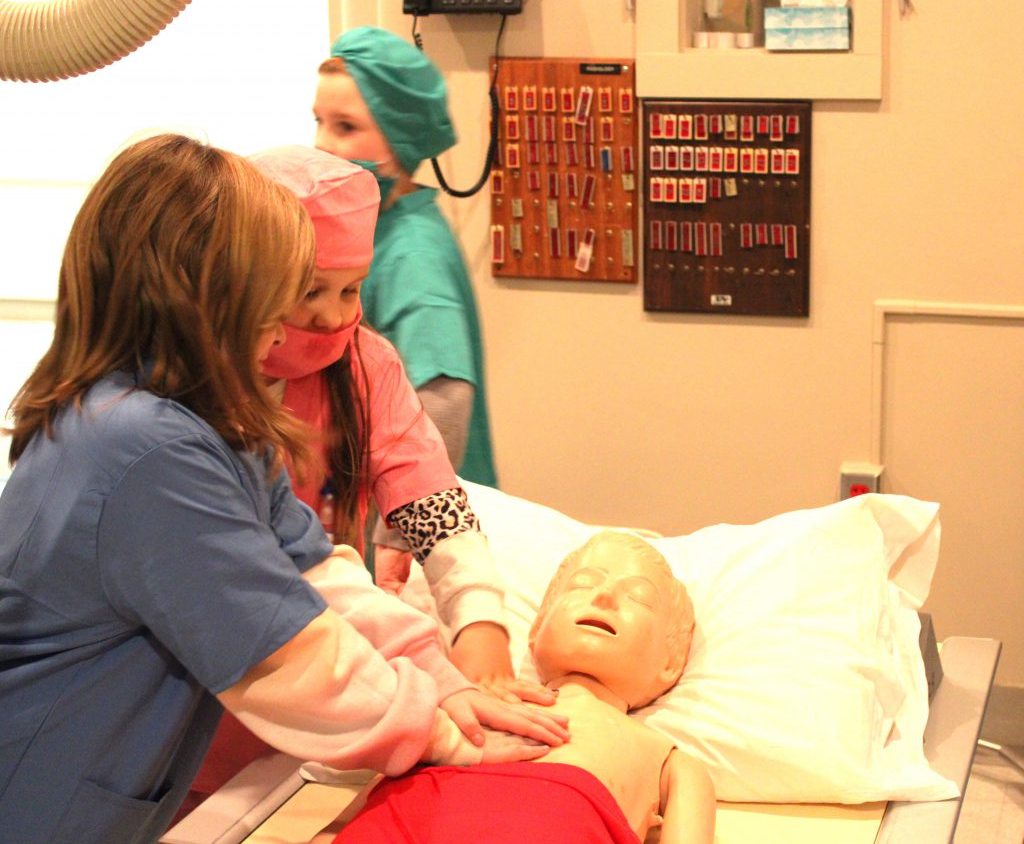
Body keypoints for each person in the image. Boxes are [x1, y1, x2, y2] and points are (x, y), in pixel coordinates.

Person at [0, 134, 567, 844]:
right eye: (288, 292)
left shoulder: (215, 420)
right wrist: (443, 733)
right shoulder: (146, 449)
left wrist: (450, 682)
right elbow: (289, 658)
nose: (296, 328)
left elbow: (322, 578)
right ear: (203, 294)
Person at [183, 145, 549, 808]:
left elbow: (431, 505)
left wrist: (480, 635)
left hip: (344, 672)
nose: (331, 315)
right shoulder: (191, 401)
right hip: (218, 680)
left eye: (351, 290)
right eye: (308, 291)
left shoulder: (363, 366)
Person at [316, 531, 716, 844]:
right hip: (402, 811)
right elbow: (371, 795)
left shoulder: (670, 760)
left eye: (638, 598)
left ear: (671, 660)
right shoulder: (465, 697)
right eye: (582, 584)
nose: (605, 596)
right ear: (537, 627)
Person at [312, 25, 496, 588]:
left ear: (400, 135)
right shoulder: (379, 229)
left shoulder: (411, 253)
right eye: (318, 120)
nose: (322, 144)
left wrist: (395, 532)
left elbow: (443, 401)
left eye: (346, 127)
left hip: (413, 545)